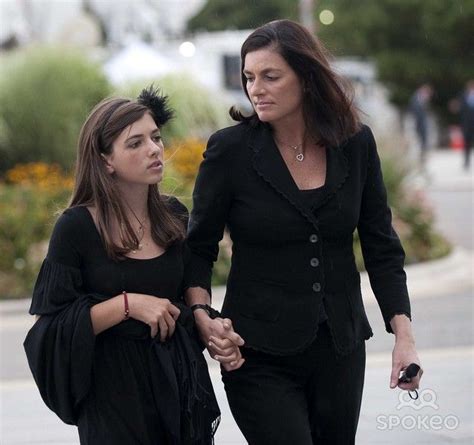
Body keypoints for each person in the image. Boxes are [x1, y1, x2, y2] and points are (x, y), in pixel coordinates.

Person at [185, 20, 423, 445]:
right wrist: (203, 316)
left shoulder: (356, 144)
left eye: (270, 76)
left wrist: (403, 336)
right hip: (256, 353)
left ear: (307, 78)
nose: (256, 88)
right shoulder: (230, 151)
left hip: (340, 349)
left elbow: (381, 246)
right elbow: (198, 249)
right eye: (249, 77)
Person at [23, 86, 220, 445]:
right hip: (111, 396)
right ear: (105, 161)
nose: (154, 149)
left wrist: (206, 317)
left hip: (178, 384)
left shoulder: (174, 214)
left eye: (156, 137)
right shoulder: (76, 228)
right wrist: (127, 305)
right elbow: (49, 330)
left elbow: (193, 279)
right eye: (135, 143)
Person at [409, 83, 433, 166]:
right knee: (418, 141)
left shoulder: (423, 99)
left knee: (424, 140)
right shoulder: (416, 98)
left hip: (423, 124)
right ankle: (420, 157)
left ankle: (423, 157)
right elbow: (414, 111)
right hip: (418, 123)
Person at [457, 80, 474, 169]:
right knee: (467, 143)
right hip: (467, 124)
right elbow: (461, 109)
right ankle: (467, 161)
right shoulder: (463, 95)